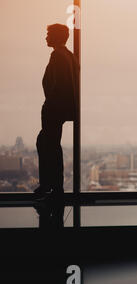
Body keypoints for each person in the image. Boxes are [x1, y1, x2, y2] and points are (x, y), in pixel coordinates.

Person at [34, 24, 79, 199]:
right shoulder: (69, 56)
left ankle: (51, 187)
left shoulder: (57, 56)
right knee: (49, 144)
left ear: (57, 37)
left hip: (54, 109)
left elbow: (58, 85)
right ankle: (51, 186)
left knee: (49, 146)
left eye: (48, 34)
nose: (46, 38)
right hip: (62, 108)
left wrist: (50, 104)